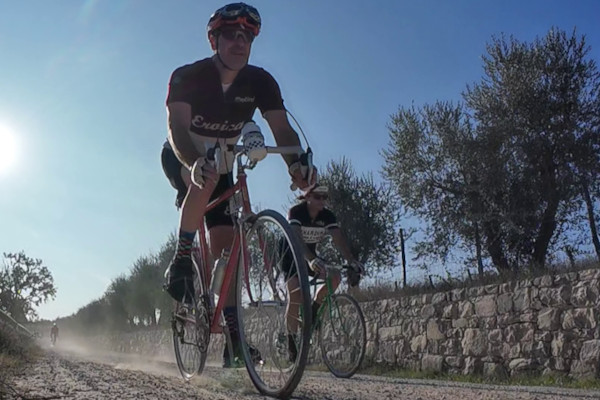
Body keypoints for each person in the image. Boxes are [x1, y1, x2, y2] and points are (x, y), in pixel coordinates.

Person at [161, 3, 315, 368]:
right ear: (214, 40)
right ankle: (182, 259)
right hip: (184, 155)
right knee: (208, 175)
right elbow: (177, 128)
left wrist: (298, 165)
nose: (240, 41)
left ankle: (234, 342)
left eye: (247, 35)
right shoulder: (189, 75)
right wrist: (193, 161)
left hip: (224, 157)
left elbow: (281, 130)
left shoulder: (260, 82)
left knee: (228, 251)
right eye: (231, 34)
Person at [282, 184, 365, 362]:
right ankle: (290, 339)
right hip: (291, 256)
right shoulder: (297, 211)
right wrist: (311, 260)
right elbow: (296, 239)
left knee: (334, 277)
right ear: (308, 197)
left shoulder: (327, 216)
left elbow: (338, 239)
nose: (322, 201)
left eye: (324, 197)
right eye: (318, 197)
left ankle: (313, 311)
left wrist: (351, 261)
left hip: (311, 256)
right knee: (295, 294)